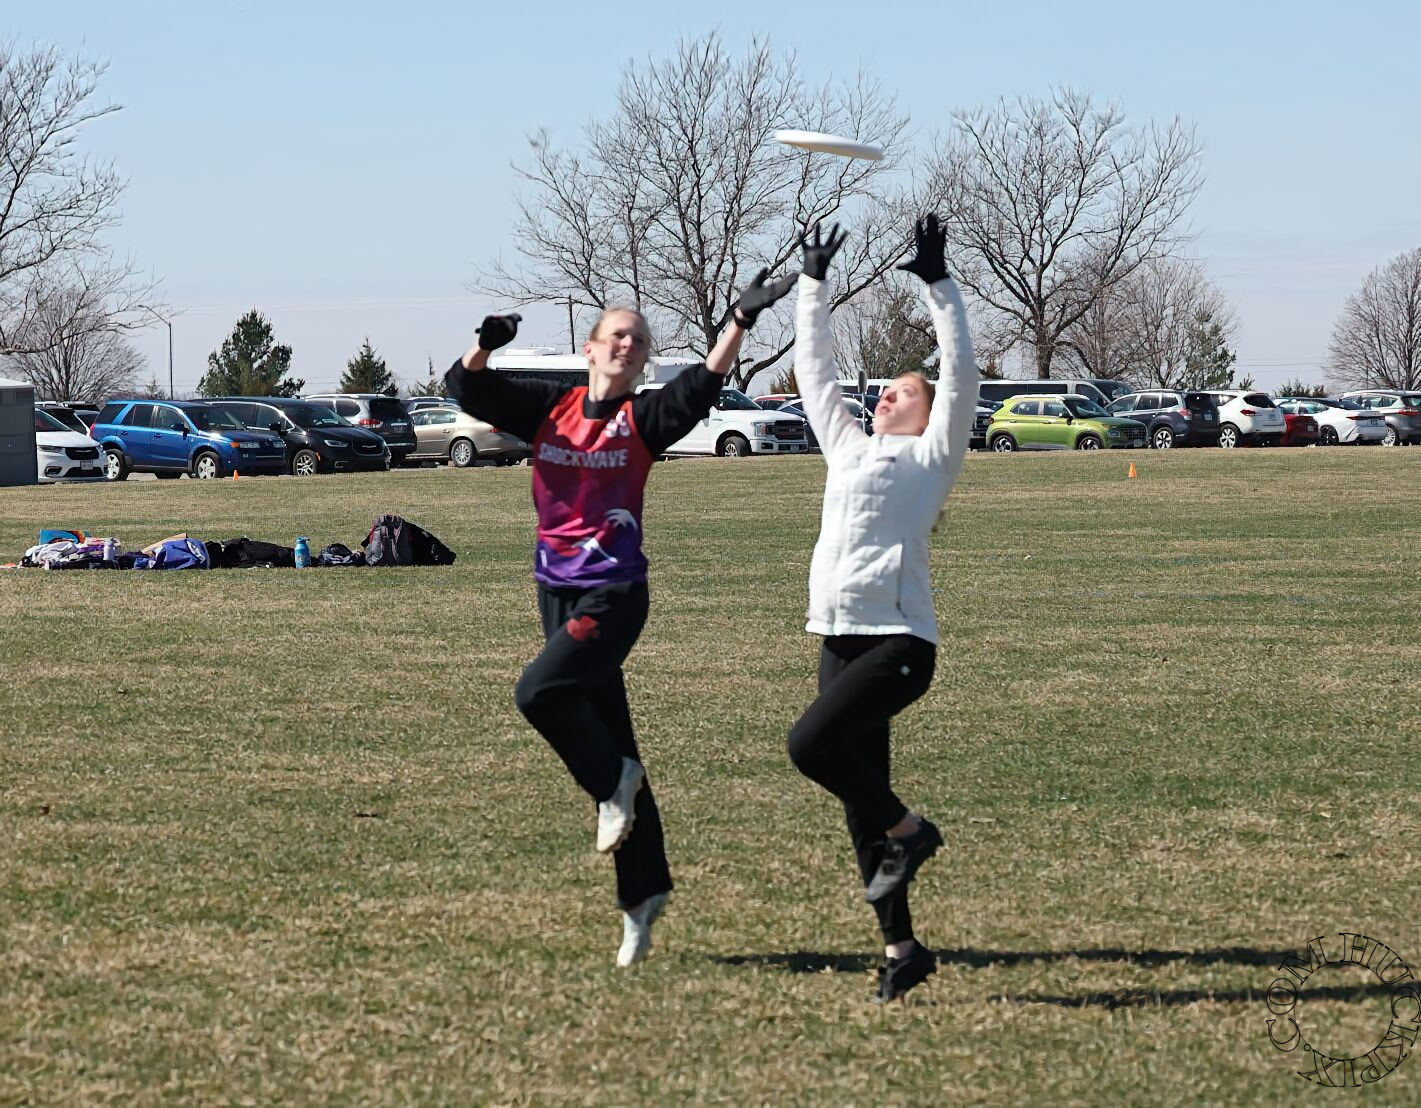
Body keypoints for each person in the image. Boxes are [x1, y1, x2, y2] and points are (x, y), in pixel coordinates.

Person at [446, 271, 795, 967]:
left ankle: (612, 785)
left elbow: (700, 387)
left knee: (538, 694)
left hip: (613, 595)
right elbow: (467, 389)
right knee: (613, 737)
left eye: (637, 340)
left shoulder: (643, 418)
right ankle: (642, 897)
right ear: (591, 347)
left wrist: (738, 320)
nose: (626, 345)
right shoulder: (550, 407)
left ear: (641, 361)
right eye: (616, 335)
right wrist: (485, 343)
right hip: (555, 592)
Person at [785, 216, 977, 1002]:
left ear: (925, 415)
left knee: (809, 747)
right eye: (884, 389)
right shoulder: (846, 447)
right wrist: (812, 284)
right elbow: (813, 371)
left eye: (902, 391)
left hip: (898, 642)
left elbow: (959, 372)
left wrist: (938, 285)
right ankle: (902, 949)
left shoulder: (932, 456)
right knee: (857, 802)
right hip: (836, 637)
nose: (885, 395)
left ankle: (911, 831)